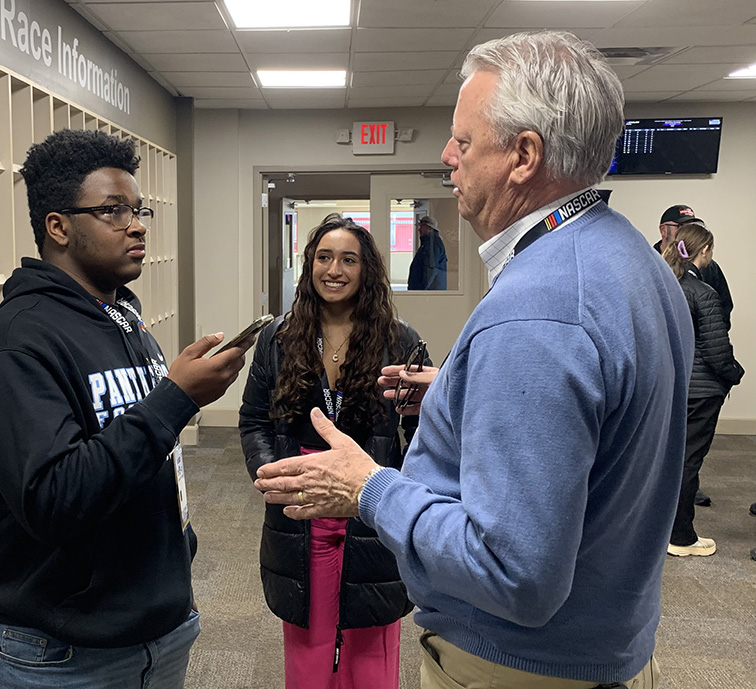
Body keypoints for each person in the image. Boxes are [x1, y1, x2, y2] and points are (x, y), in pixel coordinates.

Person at [254, 31, 694, 689]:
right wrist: (465, 393)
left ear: (523, 154)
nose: (447, 156)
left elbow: (515, 573)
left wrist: (368, 487)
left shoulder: (541, 306)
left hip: (514, 665)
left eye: (462, 140)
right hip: (605, 644)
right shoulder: (634, 261)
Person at [0, 129, 252, 689]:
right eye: (113, 211)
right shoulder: (15, 346)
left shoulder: (124, 318)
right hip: (56, 654)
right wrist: (177, 397)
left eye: (137, 210)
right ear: (59, 226)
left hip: (154, 628)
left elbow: (142, 452)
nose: (136, 224)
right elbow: (56, 499)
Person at [239, 213, 426, 689]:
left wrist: (403, 491)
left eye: (349, 260)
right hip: (302, 506)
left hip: (372, 502)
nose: (334, 270)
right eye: (324, 257)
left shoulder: (398, 339)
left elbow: (422, 430)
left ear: (367, 270)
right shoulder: (280, 338)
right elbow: (254, 419)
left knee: (371, 639)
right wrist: (273, 476)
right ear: (309, 264)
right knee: (309, 642)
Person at [662, 222, 744, 557]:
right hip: (701, 393)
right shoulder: (704, 294)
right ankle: (681, 538)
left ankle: (661, 530)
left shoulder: (663, 287)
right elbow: (717, 352)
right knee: (689, 463)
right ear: (704, 252)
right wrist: (734, 374)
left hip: (670, 387)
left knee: (669, 461)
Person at [657, 204, 733, 331]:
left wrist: (708, 334)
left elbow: (725, 307)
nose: (687, 231)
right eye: (680, 227)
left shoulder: (709, 266)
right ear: (663, 230)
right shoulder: (651, 263)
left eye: (691, 226)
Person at [407, 215, 448, 290]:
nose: (419, 230)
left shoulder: (432, 244)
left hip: (428, 294)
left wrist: (421, 291)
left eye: (422, 227)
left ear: (429, 228)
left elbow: (431, 269)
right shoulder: (428, 244)